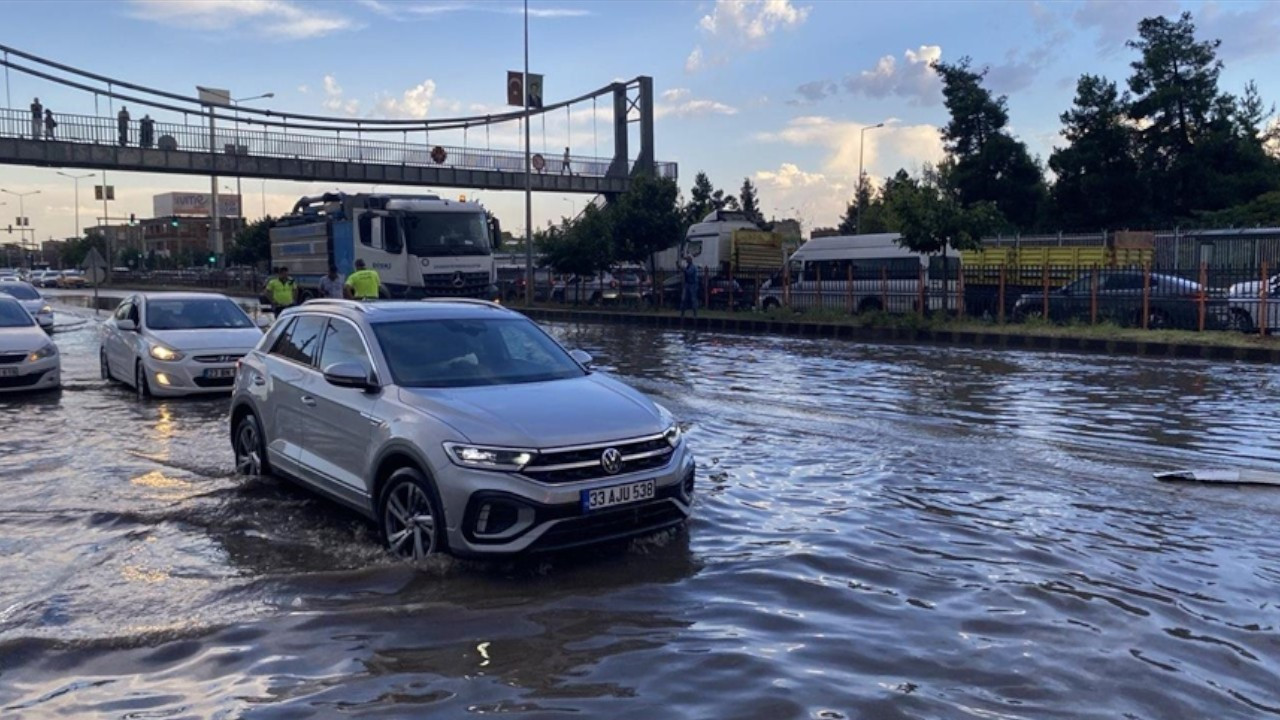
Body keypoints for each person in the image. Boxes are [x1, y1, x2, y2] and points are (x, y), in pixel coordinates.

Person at [680, 254, 699, 319]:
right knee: (683, 299)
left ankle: (695, 314)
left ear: (690, 260)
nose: (687, 261)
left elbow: (689, 273)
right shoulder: (688, 266)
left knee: (693, 299)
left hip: (692, 285)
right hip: (687, 284)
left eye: (687, 259)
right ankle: (682, 314)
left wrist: (684, 269)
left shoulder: (693, 267)